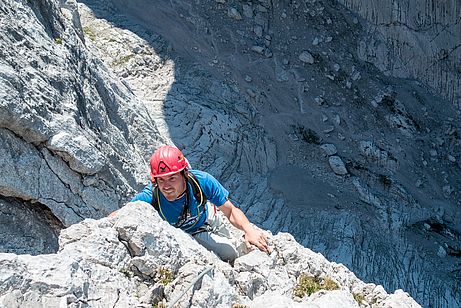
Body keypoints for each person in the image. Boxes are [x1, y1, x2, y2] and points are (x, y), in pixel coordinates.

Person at [130, 145, 269, 262]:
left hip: (209, 216)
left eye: (172, 178)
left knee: (241, 241)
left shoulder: (202, 182)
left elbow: (230, 210)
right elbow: (122, 214)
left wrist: (248, 229)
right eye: (161, 180)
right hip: (191, 233)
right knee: (231, 254)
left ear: (184, 174)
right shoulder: (151, 197)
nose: (166, 186)